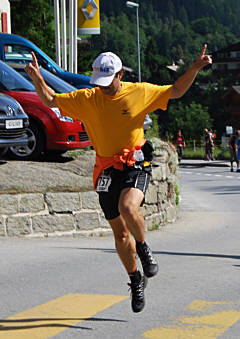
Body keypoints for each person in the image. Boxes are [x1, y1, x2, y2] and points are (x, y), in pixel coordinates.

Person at [25, 45, 212, 313]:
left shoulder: (139, 92)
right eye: (98, 82)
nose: (102, 87)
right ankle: (135, 278)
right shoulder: (88, 97)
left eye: (107, 82)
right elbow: (52, 100)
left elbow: (176, 91)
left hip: (135, 161)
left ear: (120, 75)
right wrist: (36, 78)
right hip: (105, 170)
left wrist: (194, 68)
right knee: (119, 233)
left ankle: (144, 247)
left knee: (128, 208)